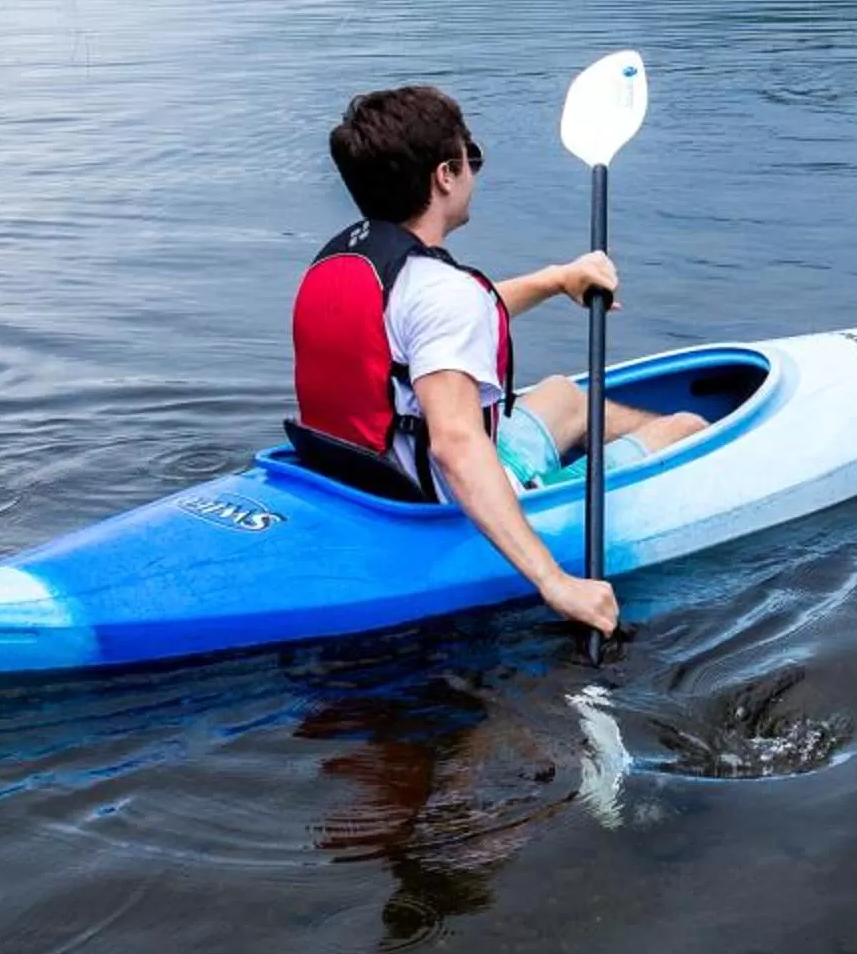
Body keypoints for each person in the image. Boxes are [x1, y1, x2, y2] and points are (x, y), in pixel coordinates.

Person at [291, 85, 705, 636]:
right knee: (687, 428)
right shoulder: (441, 293)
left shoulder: (347, 265)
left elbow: (439, 329)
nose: (474, 170)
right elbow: (457, 444)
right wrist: (555, 582)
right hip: (440, 503)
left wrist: (556, 279)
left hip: (356, 480)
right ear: (445, 175)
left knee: (562, 394)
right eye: (471, 156)